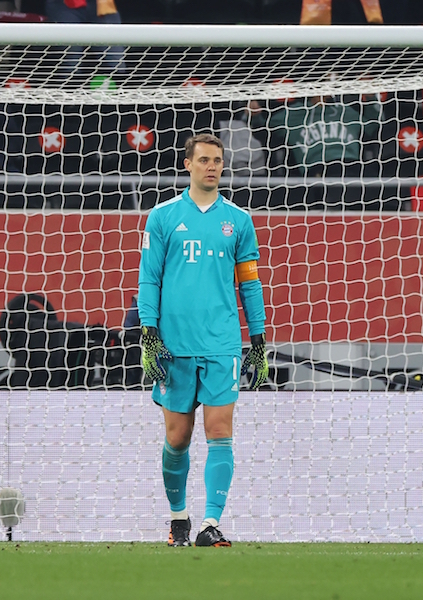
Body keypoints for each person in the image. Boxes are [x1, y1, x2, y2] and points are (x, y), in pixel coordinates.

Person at [137, 132, 269, 548]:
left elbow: (249, 284)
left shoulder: (239, 221)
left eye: (218, 160)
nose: (212, 166)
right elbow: (149, 278)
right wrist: (148, 332)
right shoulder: (162, 216)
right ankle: (179, 520)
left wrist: (259, 338)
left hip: (222, 343)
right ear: (188, 165)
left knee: (220, 430)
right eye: (205, 159)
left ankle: (211, 524)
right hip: (174, 344)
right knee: (177, 437)